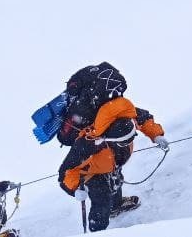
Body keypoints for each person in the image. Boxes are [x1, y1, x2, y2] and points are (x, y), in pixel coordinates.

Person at [56, 64, 167, 231]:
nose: (127, 143)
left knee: (116, 180)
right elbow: (65, 171)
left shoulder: (125, 113)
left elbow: (143, 119)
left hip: (113, 161)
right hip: (93, 171)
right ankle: (97, 231)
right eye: (122, 141)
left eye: (129, 139)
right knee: (101, 199)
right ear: (108, 138)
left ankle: (115, 207)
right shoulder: (88, 143)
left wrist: (156, 134)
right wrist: (74, 190)